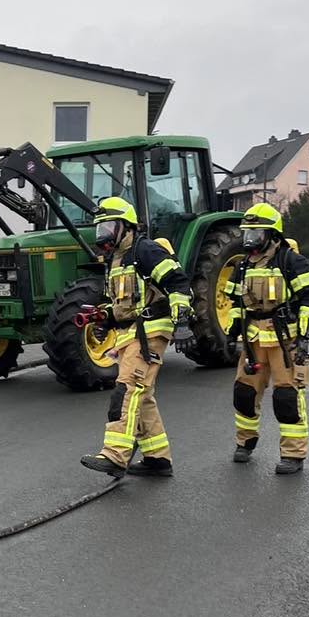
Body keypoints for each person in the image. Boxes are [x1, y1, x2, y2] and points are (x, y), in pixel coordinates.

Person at [79, 197, 194, 479]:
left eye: (108, 228)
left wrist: (182, 321)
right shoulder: (115, 260)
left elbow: (178, 283)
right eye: (100, 229)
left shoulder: (146, 250)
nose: (103, 235)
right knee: (143, 395)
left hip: (150, 331)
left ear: (126, 227)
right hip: (128, 333)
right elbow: (122, 304)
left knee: (127, 389)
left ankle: (115, 455)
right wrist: (106, 318)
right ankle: (157, 459)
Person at [223, 202, 309, 475]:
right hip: (253, 341)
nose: (250, 240)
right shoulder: (243, 266)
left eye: (256, 234)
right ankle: (245, 443)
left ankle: (293, 454)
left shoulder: (291, 262)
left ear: (272, 235)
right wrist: (232, 334)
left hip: (284, 342)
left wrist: (304, 338)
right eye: (247, 234)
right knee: (244, 393)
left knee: (287, 397)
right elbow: (235, 303)